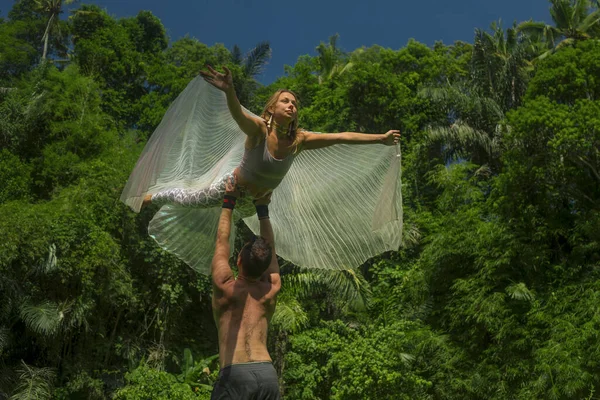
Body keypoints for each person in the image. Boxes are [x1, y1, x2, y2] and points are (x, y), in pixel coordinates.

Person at [120, 65, 404, 274]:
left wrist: (379, 139)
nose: (291, 105)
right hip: (231, 189)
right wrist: (230, 91)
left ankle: (248, 276)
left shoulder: (299, 140)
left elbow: (341, 137)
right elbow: (238, 114)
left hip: (254, 203)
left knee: (262, 247)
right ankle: (151, 197)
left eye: (294, 103)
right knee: (191, 200)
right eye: (285, 101)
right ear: (272, 108)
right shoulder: (259, 130)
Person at [210, 181, 281, 399]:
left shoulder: (225, 286)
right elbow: (268, 249)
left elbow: (222, 241)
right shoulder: (271, 289)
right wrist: (262, 209)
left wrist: (229, 200)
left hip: (235, 375)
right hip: (267, 376)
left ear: (238, 259)